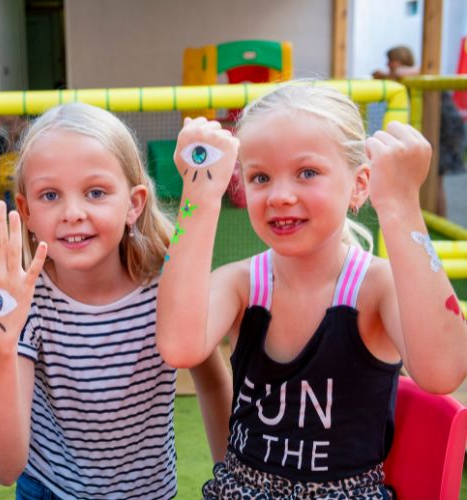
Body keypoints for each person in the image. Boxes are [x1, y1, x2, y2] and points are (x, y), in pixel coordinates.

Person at [156, 84, 467, 498]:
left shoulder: (374, 287)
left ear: (360, 186)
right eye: (260, 177)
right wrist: (199, 195)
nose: (281, 196)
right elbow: (178, 346)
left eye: (307, 172)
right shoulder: (242, 284)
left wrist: (401, 204)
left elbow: (443, 371)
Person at [0, 102, 233, 499]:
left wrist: (228, 479)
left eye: (95, 192)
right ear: (25, 211)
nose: (73, 212)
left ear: (134, 204)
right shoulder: (26, 304)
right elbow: (3, 467)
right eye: (50, 195)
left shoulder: (167, 287)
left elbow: (214, 386)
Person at [373, 45, 467, 216]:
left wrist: (386, 75)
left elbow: (404, 72)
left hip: (445, 131)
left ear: (400, 60)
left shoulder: (417, 72)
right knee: (428, 177)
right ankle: (431, 218)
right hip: (439, 129)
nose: (389, 65)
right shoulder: (408, 78)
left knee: (436, 179)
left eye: (391, 61)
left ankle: (438, 220)